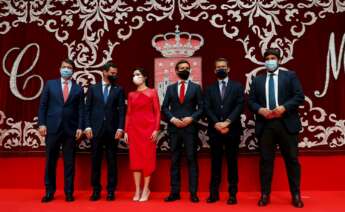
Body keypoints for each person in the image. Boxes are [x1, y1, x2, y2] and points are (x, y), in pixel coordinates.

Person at [248, 48, 305, 208]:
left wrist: (285, 107)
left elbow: (299, 96)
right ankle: (265, 194)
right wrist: (260, 109)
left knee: (292, 161)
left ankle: (296, 195)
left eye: (273, 58)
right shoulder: (258, 79)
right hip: (266, 125)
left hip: (286, 124)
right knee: (266, 161)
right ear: (264, 61)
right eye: (267, 58)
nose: (270, 60)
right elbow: (251, 101)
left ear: (279, 60)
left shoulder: (290, 76)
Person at [38, 58, 84, 203]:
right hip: (52, 128)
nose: (66, 69)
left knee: (69, 163)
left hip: (70, 130)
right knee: (50, 162)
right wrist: (42, 124)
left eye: (69, 67)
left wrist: (80, 127)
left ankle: (69, 192)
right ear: (60, 68)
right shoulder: (50, 84)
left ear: (72, 71)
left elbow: (81, 110)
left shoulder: (78, 88)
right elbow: (43, 106)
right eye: (64, 66)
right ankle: (49, 192)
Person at [162, 59, 203, 203]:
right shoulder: (170, 88)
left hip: (190, 128)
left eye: (187, 68)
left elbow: (202, 108)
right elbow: (165, 108)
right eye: (182, 68)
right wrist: (173, 119)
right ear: (177, 71)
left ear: (189, 70)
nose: (185, 70)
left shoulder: (196, 88)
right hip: (174, 129)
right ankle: (174, 192)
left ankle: (193, 193)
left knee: (192, 160)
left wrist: (191, 118)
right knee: (174, 161)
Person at [204, 58, 244, 204]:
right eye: (218, 67)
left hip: (232, 130)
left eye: (223, 66)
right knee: (215, 162)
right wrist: (216, 123)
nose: (221, 69)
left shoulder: (237, 86)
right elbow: (206, 107)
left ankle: (232, 194)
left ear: (228, 69)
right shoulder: (209, 88)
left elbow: (239, 105)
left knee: (232, 162)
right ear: (215, 70)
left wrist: (227, 122)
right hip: (215, 131)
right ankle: (213, 194)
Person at [84, 62, 125, 201]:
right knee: (95, 161)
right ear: (104, 72)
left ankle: (111, 191)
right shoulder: (93, 89)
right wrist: (87, 126)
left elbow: (122, 112)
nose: (114, 75)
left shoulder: (119, 89)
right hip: (95, 131)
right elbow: (87, 109)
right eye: (112, 73)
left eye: (116, 73)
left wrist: (120, 128)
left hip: (113, 131)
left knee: (112, 162)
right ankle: (96, 190)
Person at [124, 68, 161, 202]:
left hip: (148, 130)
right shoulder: (131, 94)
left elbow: (157, 112)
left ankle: (146, 189)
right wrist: (126, 131)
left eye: (138, 74)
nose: (135, 77)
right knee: (135, 159)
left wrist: (156, 129)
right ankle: (137, 189)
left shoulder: (152, 92)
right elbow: (128, 113)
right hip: (134, 130)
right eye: (134, 74)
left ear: (145, 77)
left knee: (147, 159)